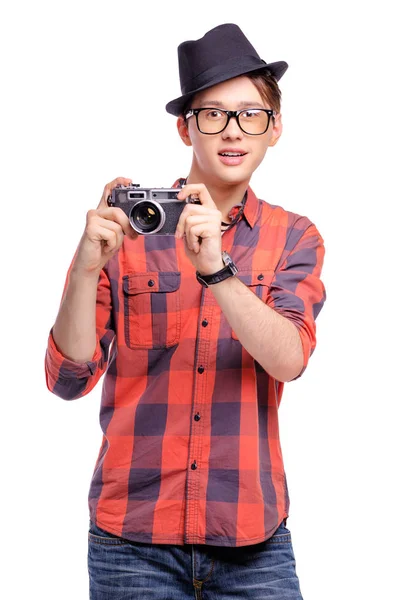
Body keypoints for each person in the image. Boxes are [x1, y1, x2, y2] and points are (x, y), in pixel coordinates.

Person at [45, 22, 326, 600]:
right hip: (132, 542)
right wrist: (85, 268)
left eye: (251, 114)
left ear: (274, 129)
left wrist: (217, 270)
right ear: (184, 128)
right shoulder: (129, 231)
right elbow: (69, 379)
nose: (232, 131)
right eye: (213, 114)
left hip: (253, 539)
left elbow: (290, 359)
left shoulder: (294, 237)